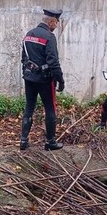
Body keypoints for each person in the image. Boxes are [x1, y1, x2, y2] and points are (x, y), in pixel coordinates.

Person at [20, 9, 65, 151]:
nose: (56, 26)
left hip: (29, 78)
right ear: (51, 21)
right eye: (56, 22)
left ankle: (23, 140)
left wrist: (27, 73)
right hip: (45, 81)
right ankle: (50, 142)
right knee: (50, 109)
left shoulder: (29, 34)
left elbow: (23, 58)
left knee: (29, 108)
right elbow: (54, 62)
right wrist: (60, 80)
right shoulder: (49, 37)